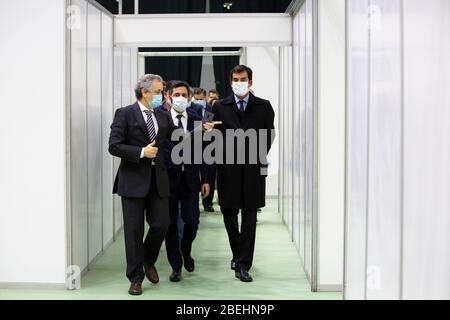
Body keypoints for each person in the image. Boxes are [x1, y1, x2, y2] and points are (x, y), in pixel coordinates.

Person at [108, 74, 219, 295]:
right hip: (132, 182)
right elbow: (114, 146)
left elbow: (181, 140)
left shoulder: (162, 116)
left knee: (161, 224)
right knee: (133, 231)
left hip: (159, 181)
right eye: (159, 92)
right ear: (144, 92)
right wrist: (141, 152)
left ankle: (148, 260)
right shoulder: (125, 114)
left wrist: (201, 130)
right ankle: (136, 278)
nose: (162, 97)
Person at [213, 65, 275, 282]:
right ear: (231, 81)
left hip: (252, 171)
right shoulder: (219, 106)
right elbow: (211, 137)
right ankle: (238, 253)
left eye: (243, 79)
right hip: (227, 171)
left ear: (250, 82)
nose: (239, 82)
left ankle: (243, 264)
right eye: (236, 79)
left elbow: (269, 135)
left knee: (249, 217)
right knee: (229, 215)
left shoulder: (264, 106)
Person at [157, 81, 211, 282]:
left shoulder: (197, 120)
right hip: (168, 180)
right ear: (169, 97)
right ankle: (176, 266)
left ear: (189, 98)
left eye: (184, 94)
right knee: (170, 224)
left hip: (190, 179)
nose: (180, 97)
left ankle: (186, 250)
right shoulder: (161, 119)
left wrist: (205, 179)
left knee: (192, 221)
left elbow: (205, 152)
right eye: (176, 94)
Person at [192, 88, 217, 213]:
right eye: (196, 99)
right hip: (194, 146)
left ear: (205, 98)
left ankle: (208, 202)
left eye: (201, 99)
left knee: (210, 175)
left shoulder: (211, 109)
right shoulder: (190, 109)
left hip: (209, 146)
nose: (198, 101)